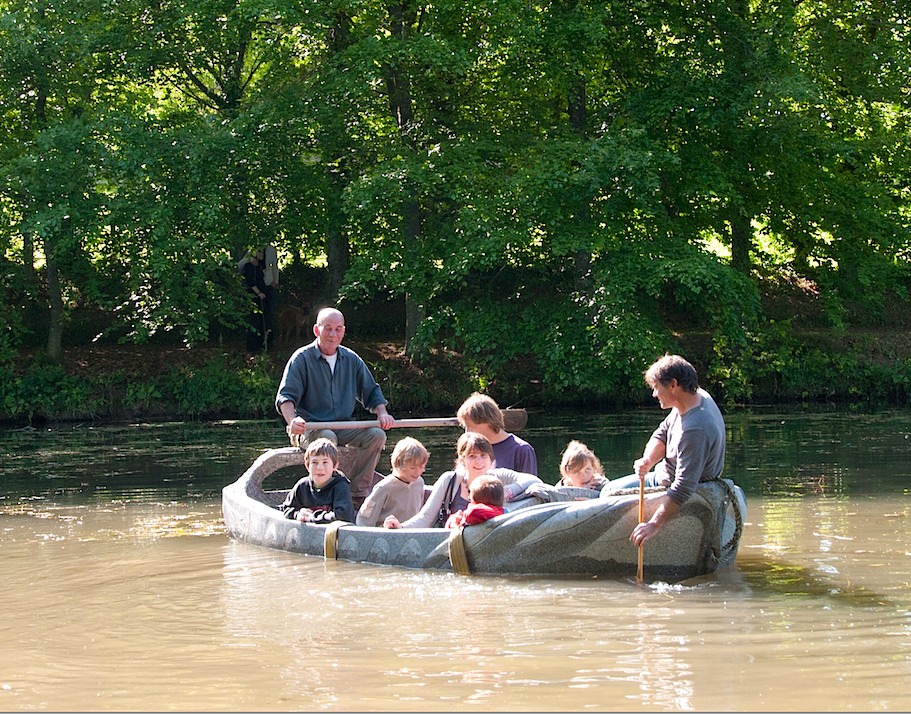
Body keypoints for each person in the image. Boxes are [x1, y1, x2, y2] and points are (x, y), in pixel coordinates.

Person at [601, 354, 726, 548]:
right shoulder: (691, 399)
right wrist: (647, 460)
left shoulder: (695, 428)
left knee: (606, 496)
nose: (654, 394)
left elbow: (683, 488)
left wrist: (653, 525)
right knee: (607, 489)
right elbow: (663, 433)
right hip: (662, 475)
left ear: (673, 385)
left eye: (656, 387)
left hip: (677, 487)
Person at [276, 307, 395, 507]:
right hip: (310, 429)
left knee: (376, 435)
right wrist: (292, 420)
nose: (333, 334)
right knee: (327, 438)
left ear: (343, 331)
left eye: (338, 329)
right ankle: (327, 494)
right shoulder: (301, 359)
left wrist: (383, 413)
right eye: (328, 328)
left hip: (343, 427)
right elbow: (285, 397)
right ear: (316, 330)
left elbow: (372, 392)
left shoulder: (351, 359)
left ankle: (357, 495)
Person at [384, 432, 552, 529]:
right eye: (472, 456)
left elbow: (532, 480)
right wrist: (401, 528)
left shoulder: (499, 476)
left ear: (490, 458)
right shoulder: (449, 480)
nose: (479, 462)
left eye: (483, 456)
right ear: (463, 460)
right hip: (453, 543)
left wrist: (508, 491)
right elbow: (426, 517)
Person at [456, 392, 538, 475]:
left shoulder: (521, 450)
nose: (467, 432)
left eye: (469, 426)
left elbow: (531, 485)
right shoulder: (469, 448)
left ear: (487, 422)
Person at [355, 437, 429, 527]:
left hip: (411, 533)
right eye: (412, 468)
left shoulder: (419, 483)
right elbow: (364, 518)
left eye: (421, 467)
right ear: (398, 463)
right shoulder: (384, 487)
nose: (417, 472)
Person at [280, 438, 354, 523]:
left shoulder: (341, 487)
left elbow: (343, 516)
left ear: (335, 466)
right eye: (314, 462)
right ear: (307, 466)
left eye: (325, 462)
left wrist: (312, 518)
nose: (319, 468)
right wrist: (298, 514)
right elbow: (286, 508)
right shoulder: (302, 486)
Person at [241, 250, 268, 352]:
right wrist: (258, 293)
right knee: (253, 321)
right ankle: (252, 347)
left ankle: (261, 344)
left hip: (260, 296)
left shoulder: (259, 266)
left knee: (261, 321)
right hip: (253, 296)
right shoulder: (248, 266)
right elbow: (250, 282)